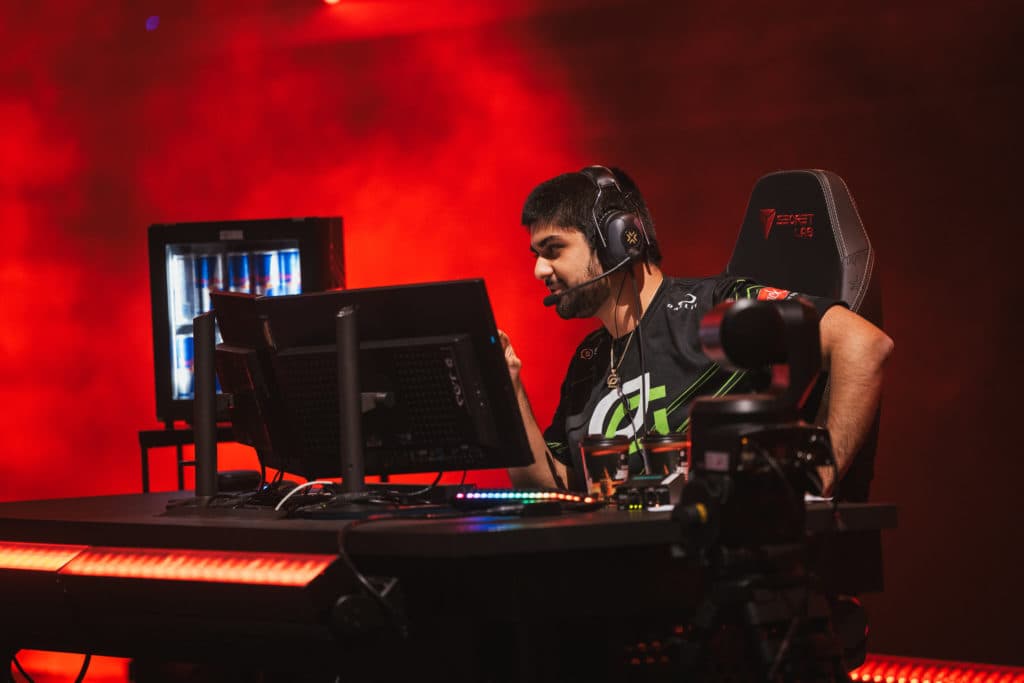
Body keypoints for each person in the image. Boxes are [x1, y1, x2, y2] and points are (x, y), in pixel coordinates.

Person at [502, 165, 893, 498]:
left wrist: (816, 483)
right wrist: (509, 388)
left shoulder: (719, 309)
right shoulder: (589, 360)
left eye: (554, 249)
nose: (539, 270)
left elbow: (864, 344)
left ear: (621, 241)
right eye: (536, 255)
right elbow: (552, 486)